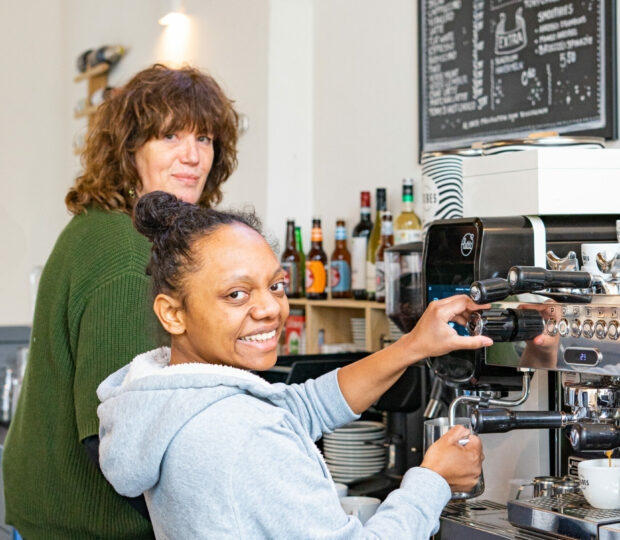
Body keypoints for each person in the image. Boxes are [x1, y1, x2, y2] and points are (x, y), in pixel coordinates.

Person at [96, 191, 491, 539]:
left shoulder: (170, 401)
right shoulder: (244, 434)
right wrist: (433, 481)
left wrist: (413, 345)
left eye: (276, 286)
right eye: (236, 294)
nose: (269, 309)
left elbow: (303, 407)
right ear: (173, 314)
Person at [3, 64, 239, 540]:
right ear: (130, 148)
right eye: (170, 136)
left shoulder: (107, 225)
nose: (193, 156)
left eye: (206, 139)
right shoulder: (128, 253)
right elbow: (114, 434)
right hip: (88, 524)